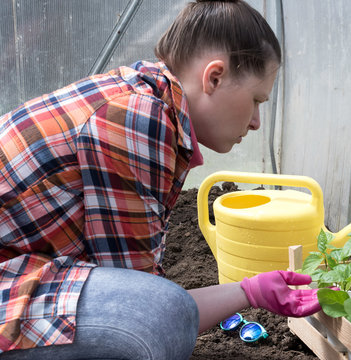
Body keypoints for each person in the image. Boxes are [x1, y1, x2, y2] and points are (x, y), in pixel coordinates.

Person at [0, 1, 324, 359]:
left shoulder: (145, 97)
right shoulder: (137, 118)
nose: (256, 122)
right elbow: (142, 304)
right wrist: (240, 294)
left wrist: (251, 290)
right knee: (158, 314)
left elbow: (140, 292)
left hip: (18, 277)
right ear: (214, 77)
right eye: (256, 100)